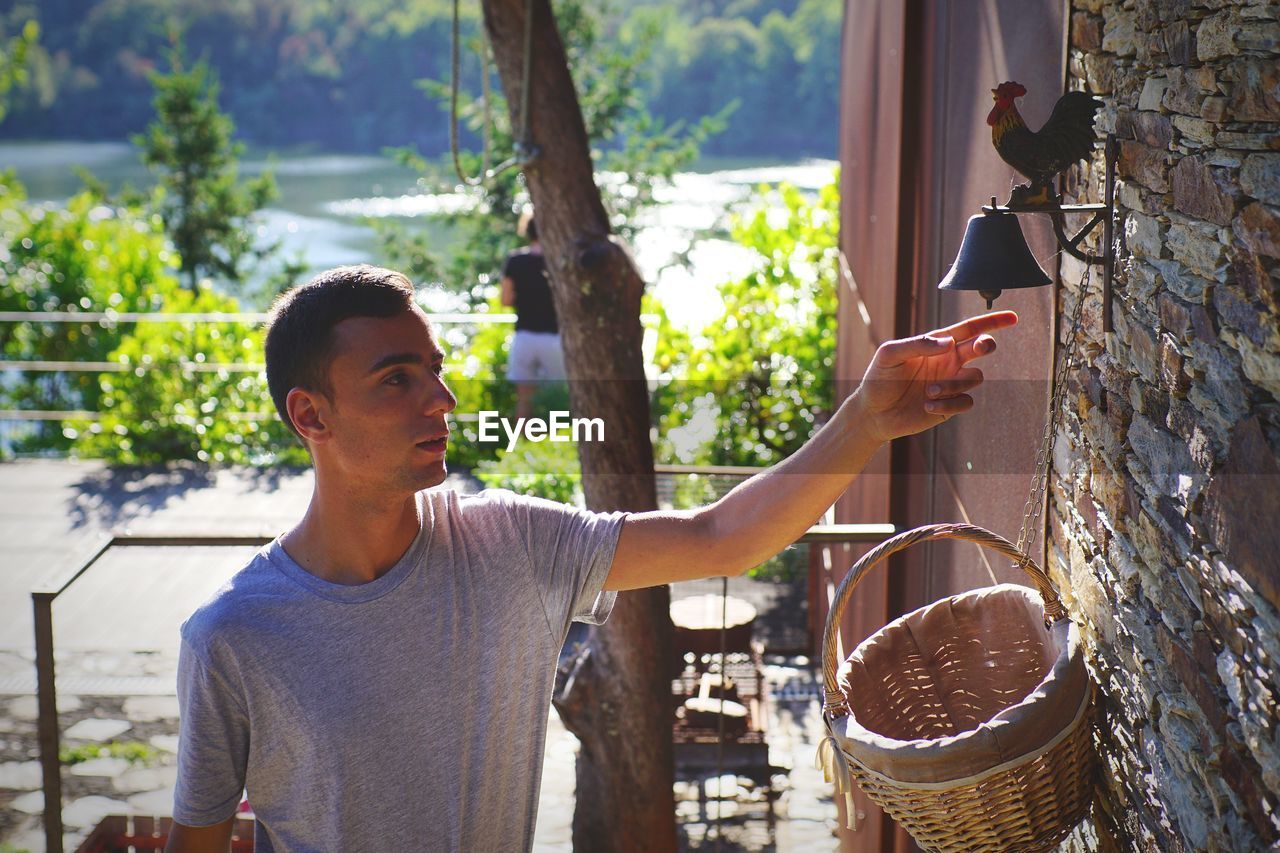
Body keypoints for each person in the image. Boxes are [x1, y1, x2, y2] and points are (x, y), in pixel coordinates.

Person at [165, 264, 1017, 852]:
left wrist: (863, 420)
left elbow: (723, 536)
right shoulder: (233, 637)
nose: (444, 397)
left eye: (436, 368)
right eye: (397, 379)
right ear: (310, 414)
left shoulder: (511, 545)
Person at [500, 213, 564, 419]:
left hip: (525, 337)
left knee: (524, 398)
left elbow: (506, 299)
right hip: (554, 338)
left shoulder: (515, 260)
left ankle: (522, 444)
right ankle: (558, 441)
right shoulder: (559, 260)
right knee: (558, 396)